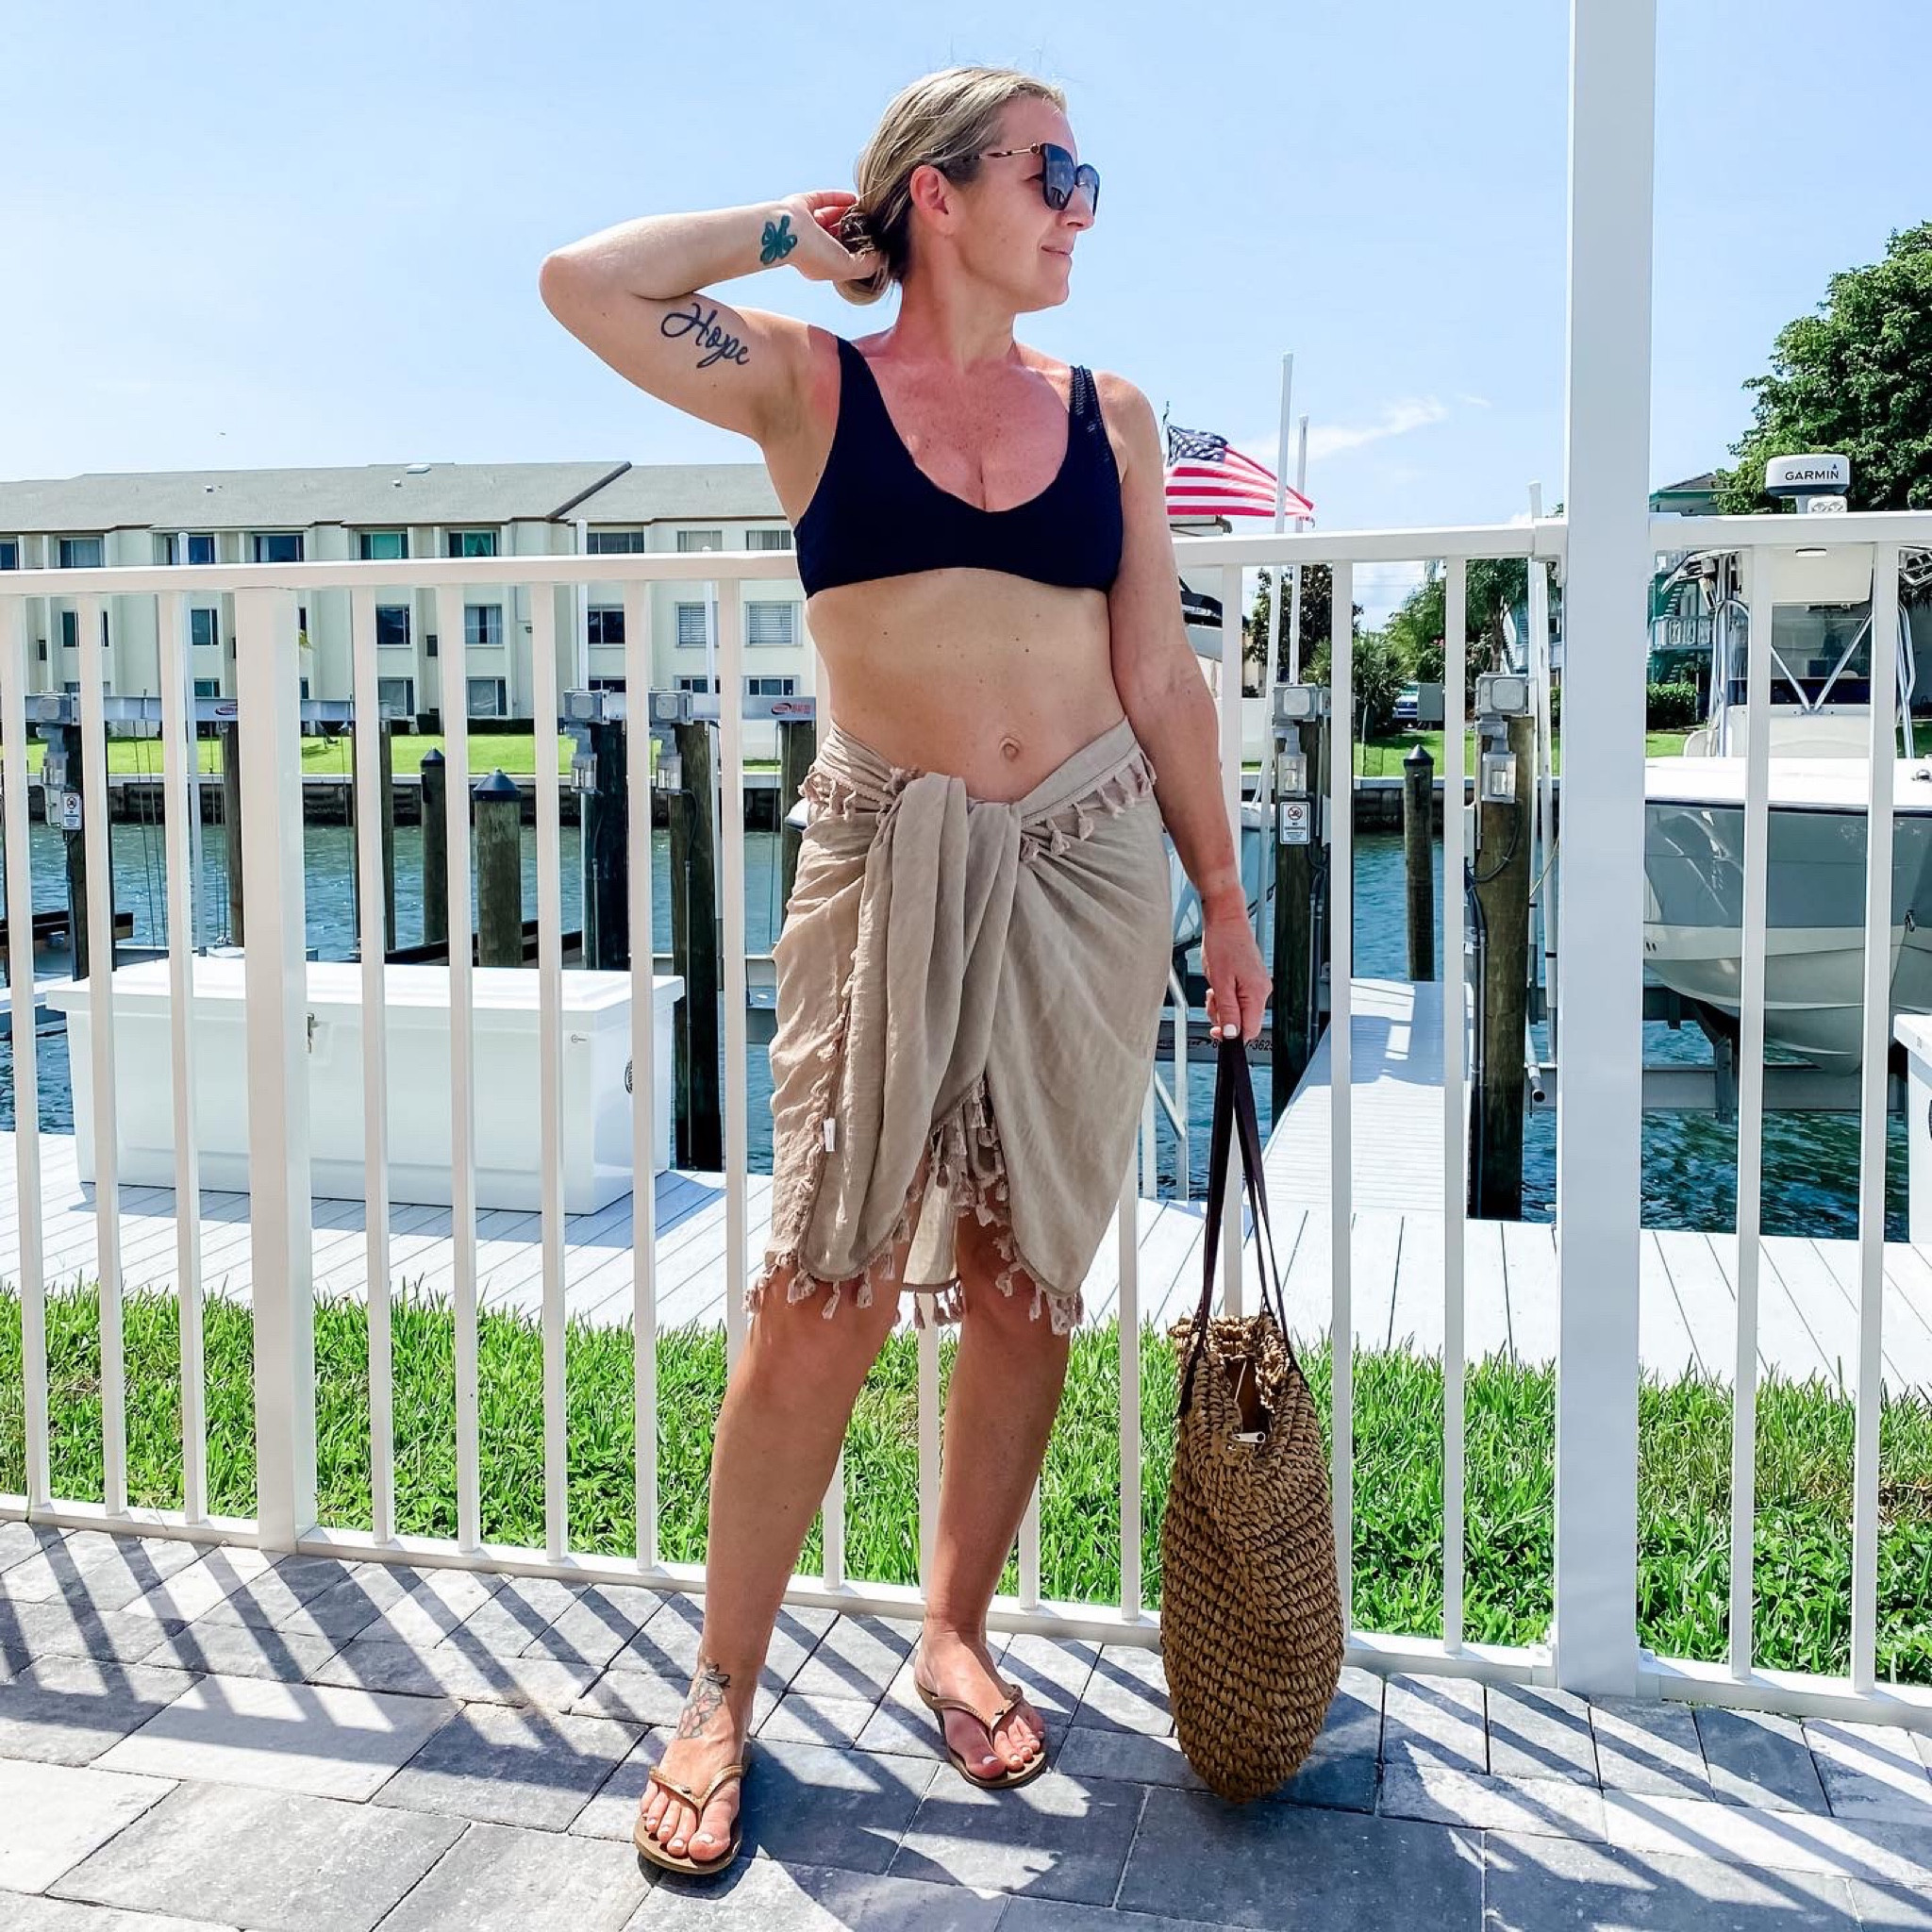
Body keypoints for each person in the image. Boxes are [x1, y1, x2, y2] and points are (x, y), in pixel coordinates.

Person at [539, 62, 1269, 1877]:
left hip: (1089, 873)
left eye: (1088, 177)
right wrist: (798, 234)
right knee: (825, 1291)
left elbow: (1161, 677)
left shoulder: (1111, 416)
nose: (1083, 204)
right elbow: (584, 282)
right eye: (1055, 171)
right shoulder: (809, 381)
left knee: (1030, 1282)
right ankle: (720, 1688)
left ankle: (956, 1629)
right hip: (889, 864)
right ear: (939, 193)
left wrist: (1226, 898)